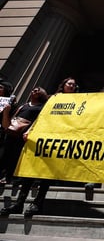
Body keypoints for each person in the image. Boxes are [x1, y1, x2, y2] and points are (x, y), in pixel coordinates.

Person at [0, 86, 50, 216]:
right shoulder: (22, 107)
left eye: (39, 89)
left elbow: (40, 122)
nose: (35, 90)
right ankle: (16, 199)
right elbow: (7, 126)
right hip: (11, 139)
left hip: (27, 141)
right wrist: (6, 112)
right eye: (33, 89)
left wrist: (29, 131)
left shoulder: (42, 107)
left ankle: (22, 198)